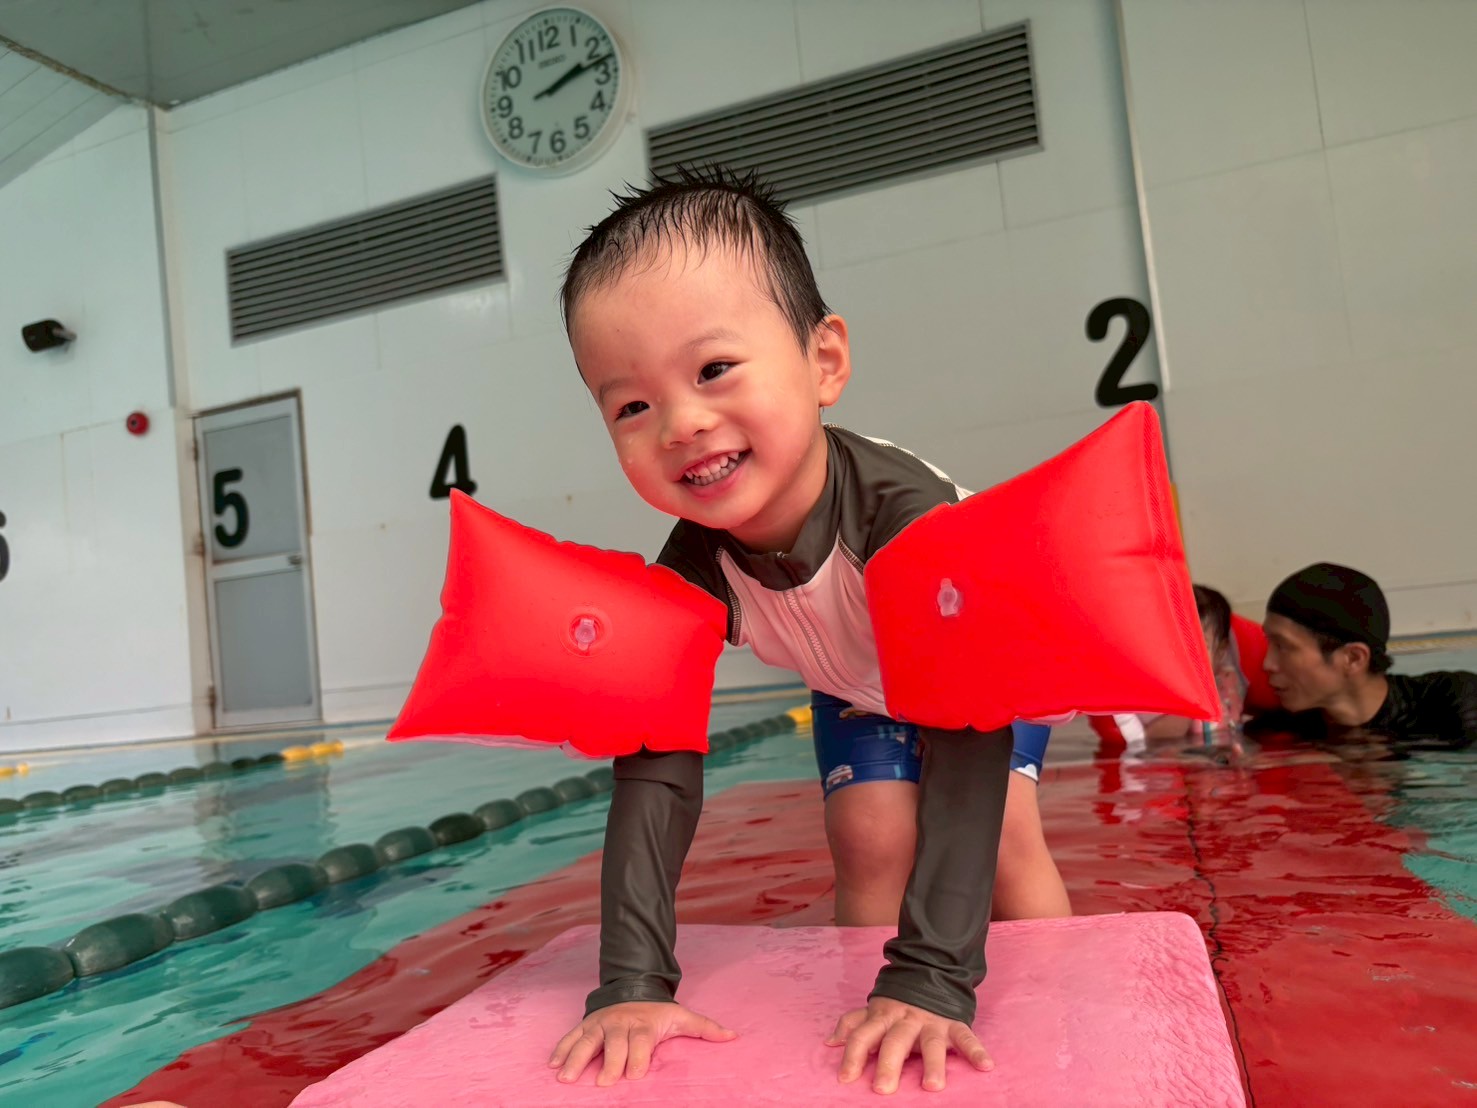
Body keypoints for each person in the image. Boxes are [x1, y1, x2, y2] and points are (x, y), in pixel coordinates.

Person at [547, 167, 1058, 1095]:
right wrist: (630, 984)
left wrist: (935, 980)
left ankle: (1047, 1012)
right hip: (860, 677)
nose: (682, 423)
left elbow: (965, 733)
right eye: (631, 405)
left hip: (983, 659)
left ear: (822, 362)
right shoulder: (692, 569)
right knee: (867, 841)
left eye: (712, 370)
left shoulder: (902, 523)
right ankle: (865, 1046)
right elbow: (656, 765)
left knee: (1008, 841)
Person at [1254, 562, 1477, 747]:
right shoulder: (1278, 732)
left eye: (1283, 647)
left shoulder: (1456, 705)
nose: (1267, 664)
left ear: (1353, 659)